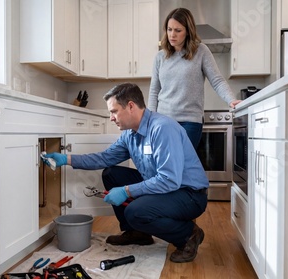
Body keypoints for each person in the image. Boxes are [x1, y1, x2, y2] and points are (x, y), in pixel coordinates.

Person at [43, 83, 209, 263]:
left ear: (130, 106)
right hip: (164, 187)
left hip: (189, 194)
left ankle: (188, 235)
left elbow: (169, 180)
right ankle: (137, 233)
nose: (111, 118)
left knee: (135, 212)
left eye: (114, 111)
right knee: (111, 173)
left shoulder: (162, 128)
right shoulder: (130, 134)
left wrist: (126, 191)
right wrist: (66, 159)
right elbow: (104, 158)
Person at [148, 7, 241, 148]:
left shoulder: (201, 51)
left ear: (188, 31)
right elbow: (154, 90)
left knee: (183, 162)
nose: (172, 34)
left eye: (178, 30)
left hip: (190, 122)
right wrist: (150, 119)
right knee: (167, 163)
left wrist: (231, 99)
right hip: (163, 120)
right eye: (169, 29)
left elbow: (217, 80)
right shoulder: (160, 57)